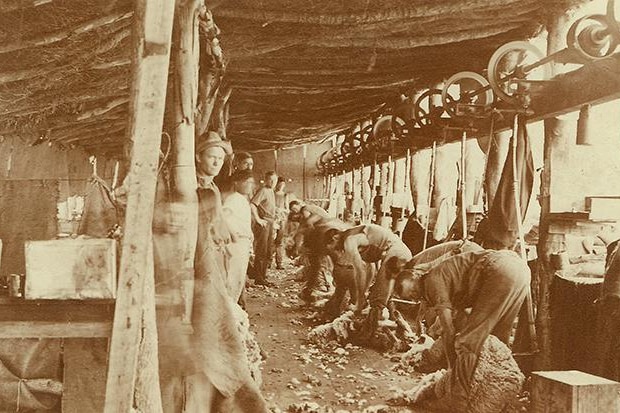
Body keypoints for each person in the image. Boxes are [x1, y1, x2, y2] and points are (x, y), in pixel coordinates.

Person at [393, 248, 530, 408]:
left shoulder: (432, 280)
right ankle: (495, 395)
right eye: (411, 297)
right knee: (496, 341)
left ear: (417, 276)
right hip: (520, 270)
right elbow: (459, 317)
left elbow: (449, 329)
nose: (415, 296)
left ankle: (458, 399)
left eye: (413, 291)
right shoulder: (442, 277)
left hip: (499, 270)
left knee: (467, 342)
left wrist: (452, 370)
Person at [325, 223, 412, 314]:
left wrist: (360, 299)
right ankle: (390, 321)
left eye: (335, 248)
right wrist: (364, 293)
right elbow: (370, 267)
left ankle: (374, 324)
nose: (338, 250)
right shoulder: (357, 238)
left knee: (378, 300)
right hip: (401, 252)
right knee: (382, 297)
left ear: (335, 237)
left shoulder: (349, 241)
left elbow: (360, 271)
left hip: (396, 253)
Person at [222, 170, 255, 302]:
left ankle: (233, 310)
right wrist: (234, 234)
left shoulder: (241, 199)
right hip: (236, 243)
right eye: (247, 182)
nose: (251, 185)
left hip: (242, 241)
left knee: (239, 278)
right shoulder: (234, 198)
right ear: (236, 183)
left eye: (252, 183)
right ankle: (230, 311)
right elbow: (223, 216)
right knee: (233, 278)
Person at [250, 171, 278, 286]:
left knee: (268, 251)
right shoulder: (263, 190)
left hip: (270, 222)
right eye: (270, 180)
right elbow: (252, 204)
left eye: (274, 180)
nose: (272, 182)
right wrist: (258, 219)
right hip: (264, 222)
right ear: (266, 180)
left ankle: (263, 275)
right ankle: (259, 278)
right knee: (261, 251)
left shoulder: (271, 191)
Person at [273, 177, 289, 270]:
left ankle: (279, 262)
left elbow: (287, 209)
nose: (281, 186)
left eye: (282, 185)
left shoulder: (285, 195)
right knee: (270, 241)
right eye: (279, 184)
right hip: (273, 219)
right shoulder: (272, 193)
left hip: (282, 219)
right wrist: (275, 210)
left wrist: (281, 210)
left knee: (279, 242)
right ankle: (268, 261)